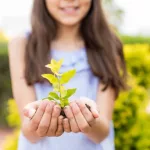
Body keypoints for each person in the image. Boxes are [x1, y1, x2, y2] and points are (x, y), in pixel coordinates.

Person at [8, 0, 127, 150]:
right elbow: (29, 133)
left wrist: (90, 118)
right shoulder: (22, 44)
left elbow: (102, 133)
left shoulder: (109, 44)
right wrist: (37, 120)